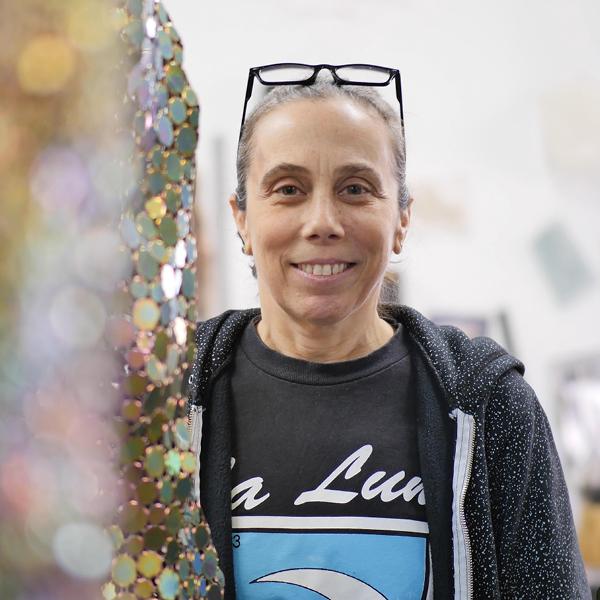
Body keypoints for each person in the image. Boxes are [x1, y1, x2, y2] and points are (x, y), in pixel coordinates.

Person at [187, 64, 591, 599]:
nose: (323, 221)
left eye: (356, 189)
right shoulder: (173, 396)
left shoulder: (490, 407)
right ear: (241, 218)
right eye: (288, 189)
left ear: (401, 219)